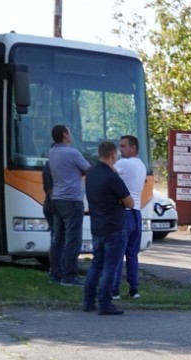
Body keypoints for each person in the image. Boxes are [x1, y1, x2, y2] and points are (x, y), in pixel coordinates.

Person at [82, 140, 134, 316]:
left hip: (97, 225)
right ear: (113, 155)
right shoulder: (112, 177)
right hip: (114, 227)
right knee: (111, 266)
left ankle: (88, 301)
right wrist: (118, 199)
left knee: (96, 264)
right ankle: (105, 302)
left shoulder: (91, 172)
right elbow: (130, 202)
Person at [47, 124, 90, 285]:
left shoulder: (52, 152)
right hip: (72, 200)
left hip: (57, 199)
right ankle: (70, 275)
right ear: (65, 135)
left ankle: (55, 273)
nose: (71, 134)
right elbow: (88, 169)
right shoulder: (72, 152)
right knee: (73, 239)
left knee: (57, 238)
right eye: (69, 132)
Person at [113, 135, 146, 300]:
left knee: (118, 252)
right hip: (137, 212)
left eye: (123, 146)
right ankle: (134, 289)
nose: (120, 150)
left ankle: (114, 289)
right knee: (132, 254)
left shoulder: (123, 163)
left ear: (133, 147)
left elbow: (108, 173)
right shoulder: (141, 165)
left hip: (124, 211)